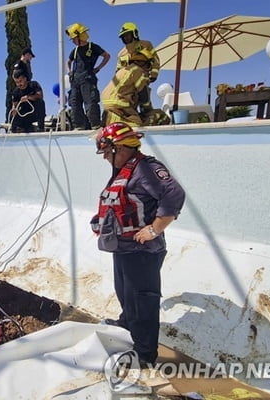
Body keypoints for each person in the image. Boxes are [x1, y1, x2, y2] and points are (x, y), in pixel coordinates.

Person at [90, 122, 185, 366]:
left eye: (106, 153)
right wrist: (99, 221)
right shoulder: (124, 169)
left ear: (119, 148)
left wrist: (154, 229)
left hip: (142, 251)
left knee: (143, 302)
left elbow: (174, 194)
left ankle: (144, 354)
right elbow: (120, 201)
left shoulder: (145, 168)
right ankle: (126, 324)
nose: (105, 159)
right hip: (122, 248)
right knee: (125, 293)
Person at [65, 22, 110, 130]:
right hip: (75, 80)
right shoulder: (75, 51)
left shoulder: (93, 47)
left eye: (74, 38)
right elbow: (68, 62)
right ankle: (78, 126)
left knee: (90, 103)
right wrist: (69, 72)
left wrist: (98, 68)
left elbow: (107, 56)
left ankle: (95, 125)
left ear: (80, 36)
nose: (73, 41)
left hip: (88, 79)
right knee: (75, 104)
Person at [116, 22, 160, 118]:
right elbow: (118, 71)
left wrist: (153, 74)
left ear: (134, 33)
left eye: (127, 34)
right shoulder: (121, 54)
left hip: (143, 80)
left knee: (146, 105)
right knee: (130, 108)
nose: (125, 37)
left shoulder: (146, 45)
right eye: (123, 36)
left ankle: (150, 121)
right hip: (128, 86)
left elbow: (155, 60)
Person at [10, 69, 45, 133]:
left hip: (35, 113)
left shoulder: (34, 85)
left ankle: (41, 128)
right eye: (16, 82)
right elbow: (14, 105)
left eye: (20, 81)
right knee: (13, 114)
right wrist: (14, 109)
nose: (19, 84)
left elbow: (40, 96)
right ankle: (16, 130)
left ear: (25, 78)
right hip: (24, 114)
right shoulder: (16, 91)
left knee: (40, 102)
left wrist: (28, 97)